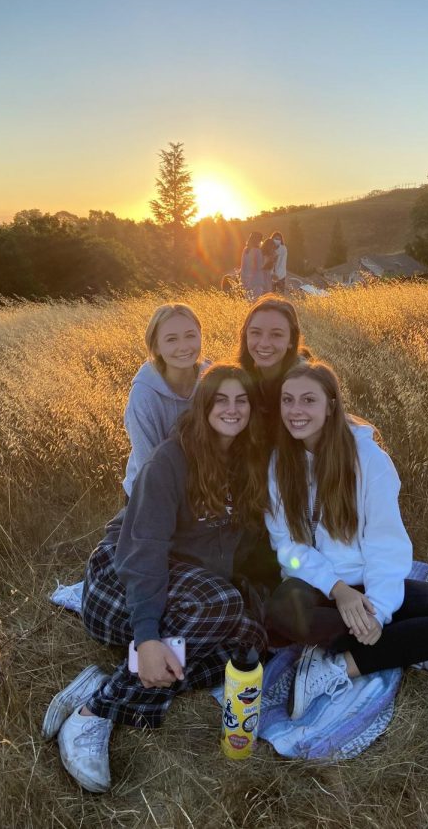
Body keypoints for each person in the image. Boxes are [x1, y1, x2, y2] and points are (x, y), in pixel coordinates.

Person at [45, 364, 269, 792]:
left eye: (242, 400)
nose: (232, 409)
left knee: (253, 645)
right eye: (220, 399)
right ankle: (96, 712)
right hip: (120, 583)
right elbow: (144, 549)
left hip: (185, 588)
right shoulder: (172, 459)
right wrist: (147, 636)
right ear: (203, 405)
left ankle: (113, 677)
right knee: (220, 604)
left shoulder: (250, 463)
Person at [265, 361, 428, 719]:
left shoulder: (369, 460)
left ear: (331, 405)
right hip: (319, 586)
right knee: (282, 612)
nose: (296, 411)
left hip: (368, 581)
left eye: (308, 400)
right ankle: (417, 646)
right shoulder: (280, 462)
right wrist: (338, 588)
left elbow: (386, 546)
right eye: (288, 400)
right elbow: (287, 546)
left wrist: (379, 610)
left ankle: (338, 668)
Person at [122, 303, 207, 499]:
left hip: (204, 488)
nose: (183, 347)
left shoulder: (211, 379)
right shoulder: (144, 394)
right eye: (171, 339)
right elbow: (147, 465)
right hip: (150, 491)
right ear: (156, 347)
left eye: (190, 335)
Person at [237, 294, 312, 445]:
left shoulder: (309, 383)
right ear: (245, 336)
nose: (264, 343)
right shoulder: (236, 376)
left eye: (276, 335)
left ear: (291, 340)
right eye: (255, 333)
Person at [240, 232, 264, 300]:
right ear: (258, 240)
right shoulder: (258, 251)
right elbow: (259, 267)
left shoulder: (246, 250)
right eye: (261, 240)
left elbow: (242, 265)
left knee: (247, 301)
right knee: (255, 302)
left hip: (245, 280)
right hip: (256, 281)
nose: (261, 242)